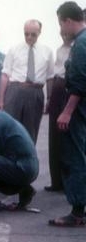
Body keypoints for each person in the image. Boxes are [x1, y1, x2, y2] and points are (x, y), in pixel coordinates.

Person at [49, 1, 86, 227]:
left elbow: (80, 82)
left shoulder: (80, 44)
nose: (61, 30)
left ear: (67, 20)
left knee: (75, 158)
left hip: (78, 109)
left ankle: (77, 212)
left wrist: (67, 112)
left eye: (61, 24)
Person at [0, 19, 54, 144]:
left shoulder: (47, 51)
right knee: (10, 129)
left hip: (35, 93)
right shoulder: (14, 49)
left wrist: (50, 99)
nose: (29, 37)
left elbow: (50, 77)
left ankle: (27, 161)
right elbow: (5, 75)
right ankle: (9, 161)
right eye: (26, 33)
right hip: (15, 91)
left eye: (33, 34)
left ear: (39, 33)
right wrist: (1, 100)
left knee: (31, 132)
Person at [45, 31, 73, 192]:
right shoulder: (60, 50)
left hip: (69, 89)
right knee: (54, 136)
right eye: (61, 32)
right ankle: (56, 181)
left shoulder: (78, 48)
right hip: (57, 88)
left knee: (68, 137)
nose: (63, 34)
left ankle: (69, 182)